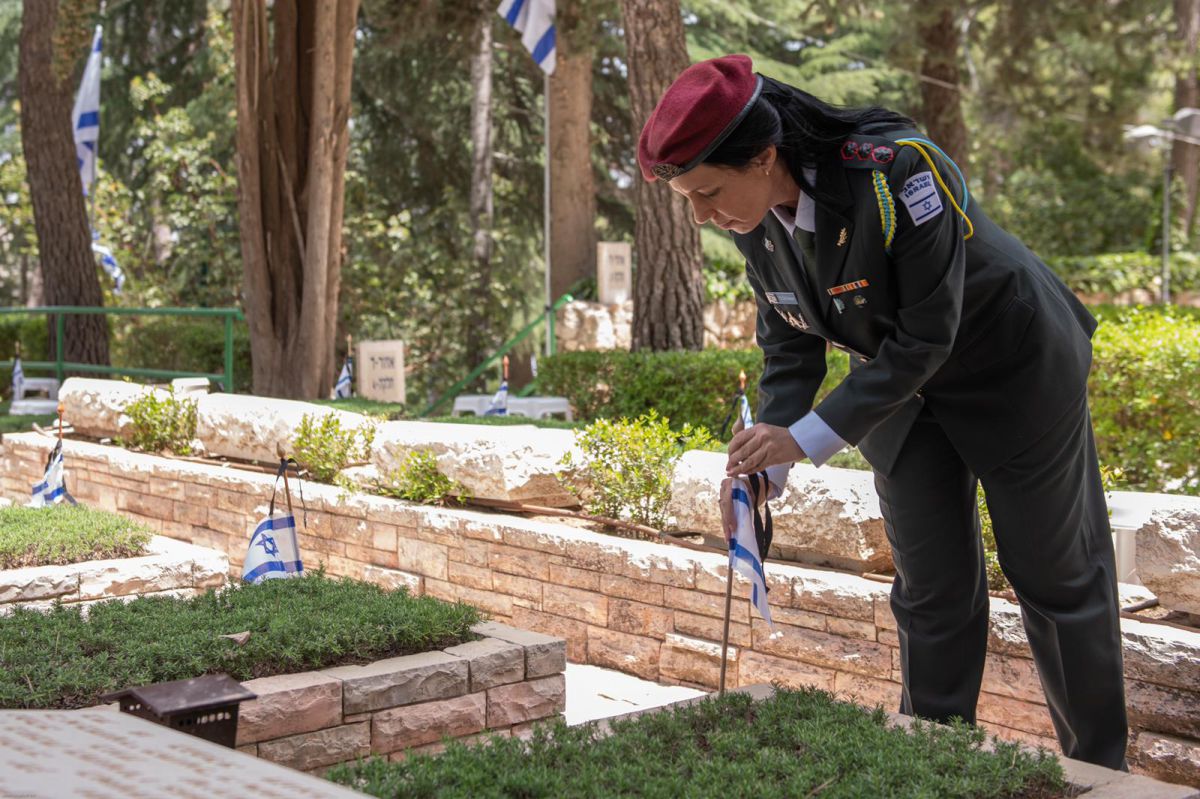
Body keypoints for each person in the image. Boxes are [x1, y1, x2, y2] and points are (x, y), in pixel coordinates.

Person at [636, 54, 1129, 770]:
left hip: (1012, 370)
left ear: (764, 154)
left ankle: (1100, 770)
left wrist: (802, 440)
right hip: (902, 393)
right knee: (930, 590)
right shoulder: (754, 222)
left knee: (1056, 579)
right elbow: (788, 343)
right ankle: (930, 765)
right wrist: (764, 469)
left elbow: (929, 333)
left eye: (707, 192)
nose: (702, 216)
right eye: (688, 200)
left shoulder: (898, 172)